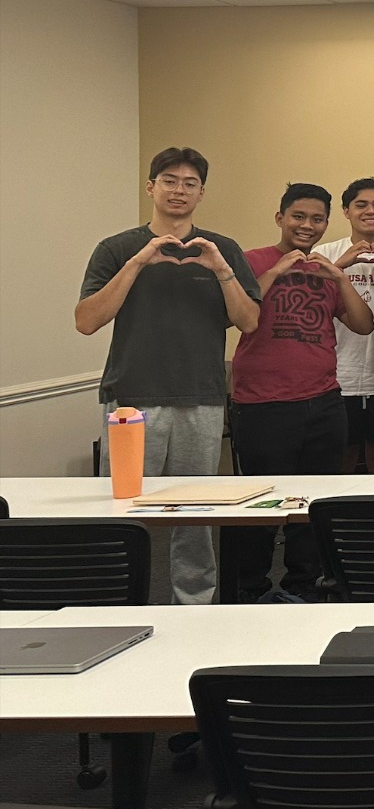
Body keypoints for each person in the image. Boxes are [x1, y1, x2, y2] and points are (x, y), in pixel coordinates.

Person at [77, 147, 261, 605]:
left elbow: (249, 321)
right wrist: (138, 263)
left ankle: (194, 606)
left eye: (190, 183)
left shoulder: (222, 249)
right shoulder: (117, 248)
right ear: (151, 187)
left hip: (201, 398)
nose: (179, 190)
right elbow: (87, 320)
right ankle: (113, 601)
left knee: (195, 516)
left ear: (201, 193)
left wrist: (222, 270)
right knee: (122, 511)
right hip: (130, 399)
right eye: (170, 181)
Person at [223, 182, 374, 602]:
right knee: (261, 503)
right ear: (280, 218)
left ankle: (305, 586)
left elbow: (363, 324)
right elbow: (238, 317)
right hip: (263, 404)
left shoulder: (325, 270)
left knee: (314, 502)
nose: (308, 225)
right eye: (299, 216)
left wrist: (339, 276)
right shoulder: (251, 260)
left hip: (324, 401)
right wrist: (277, 271)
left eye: (317, 219)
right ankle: (250, 589)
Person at [318, 178, 374, 477]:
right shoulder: (326, 253)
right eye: (361, 205)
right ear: (346, 211)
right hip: (339, 373)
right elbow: (310, 300)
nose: (371, 211)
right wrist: (340, 265)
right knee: (343, 453)